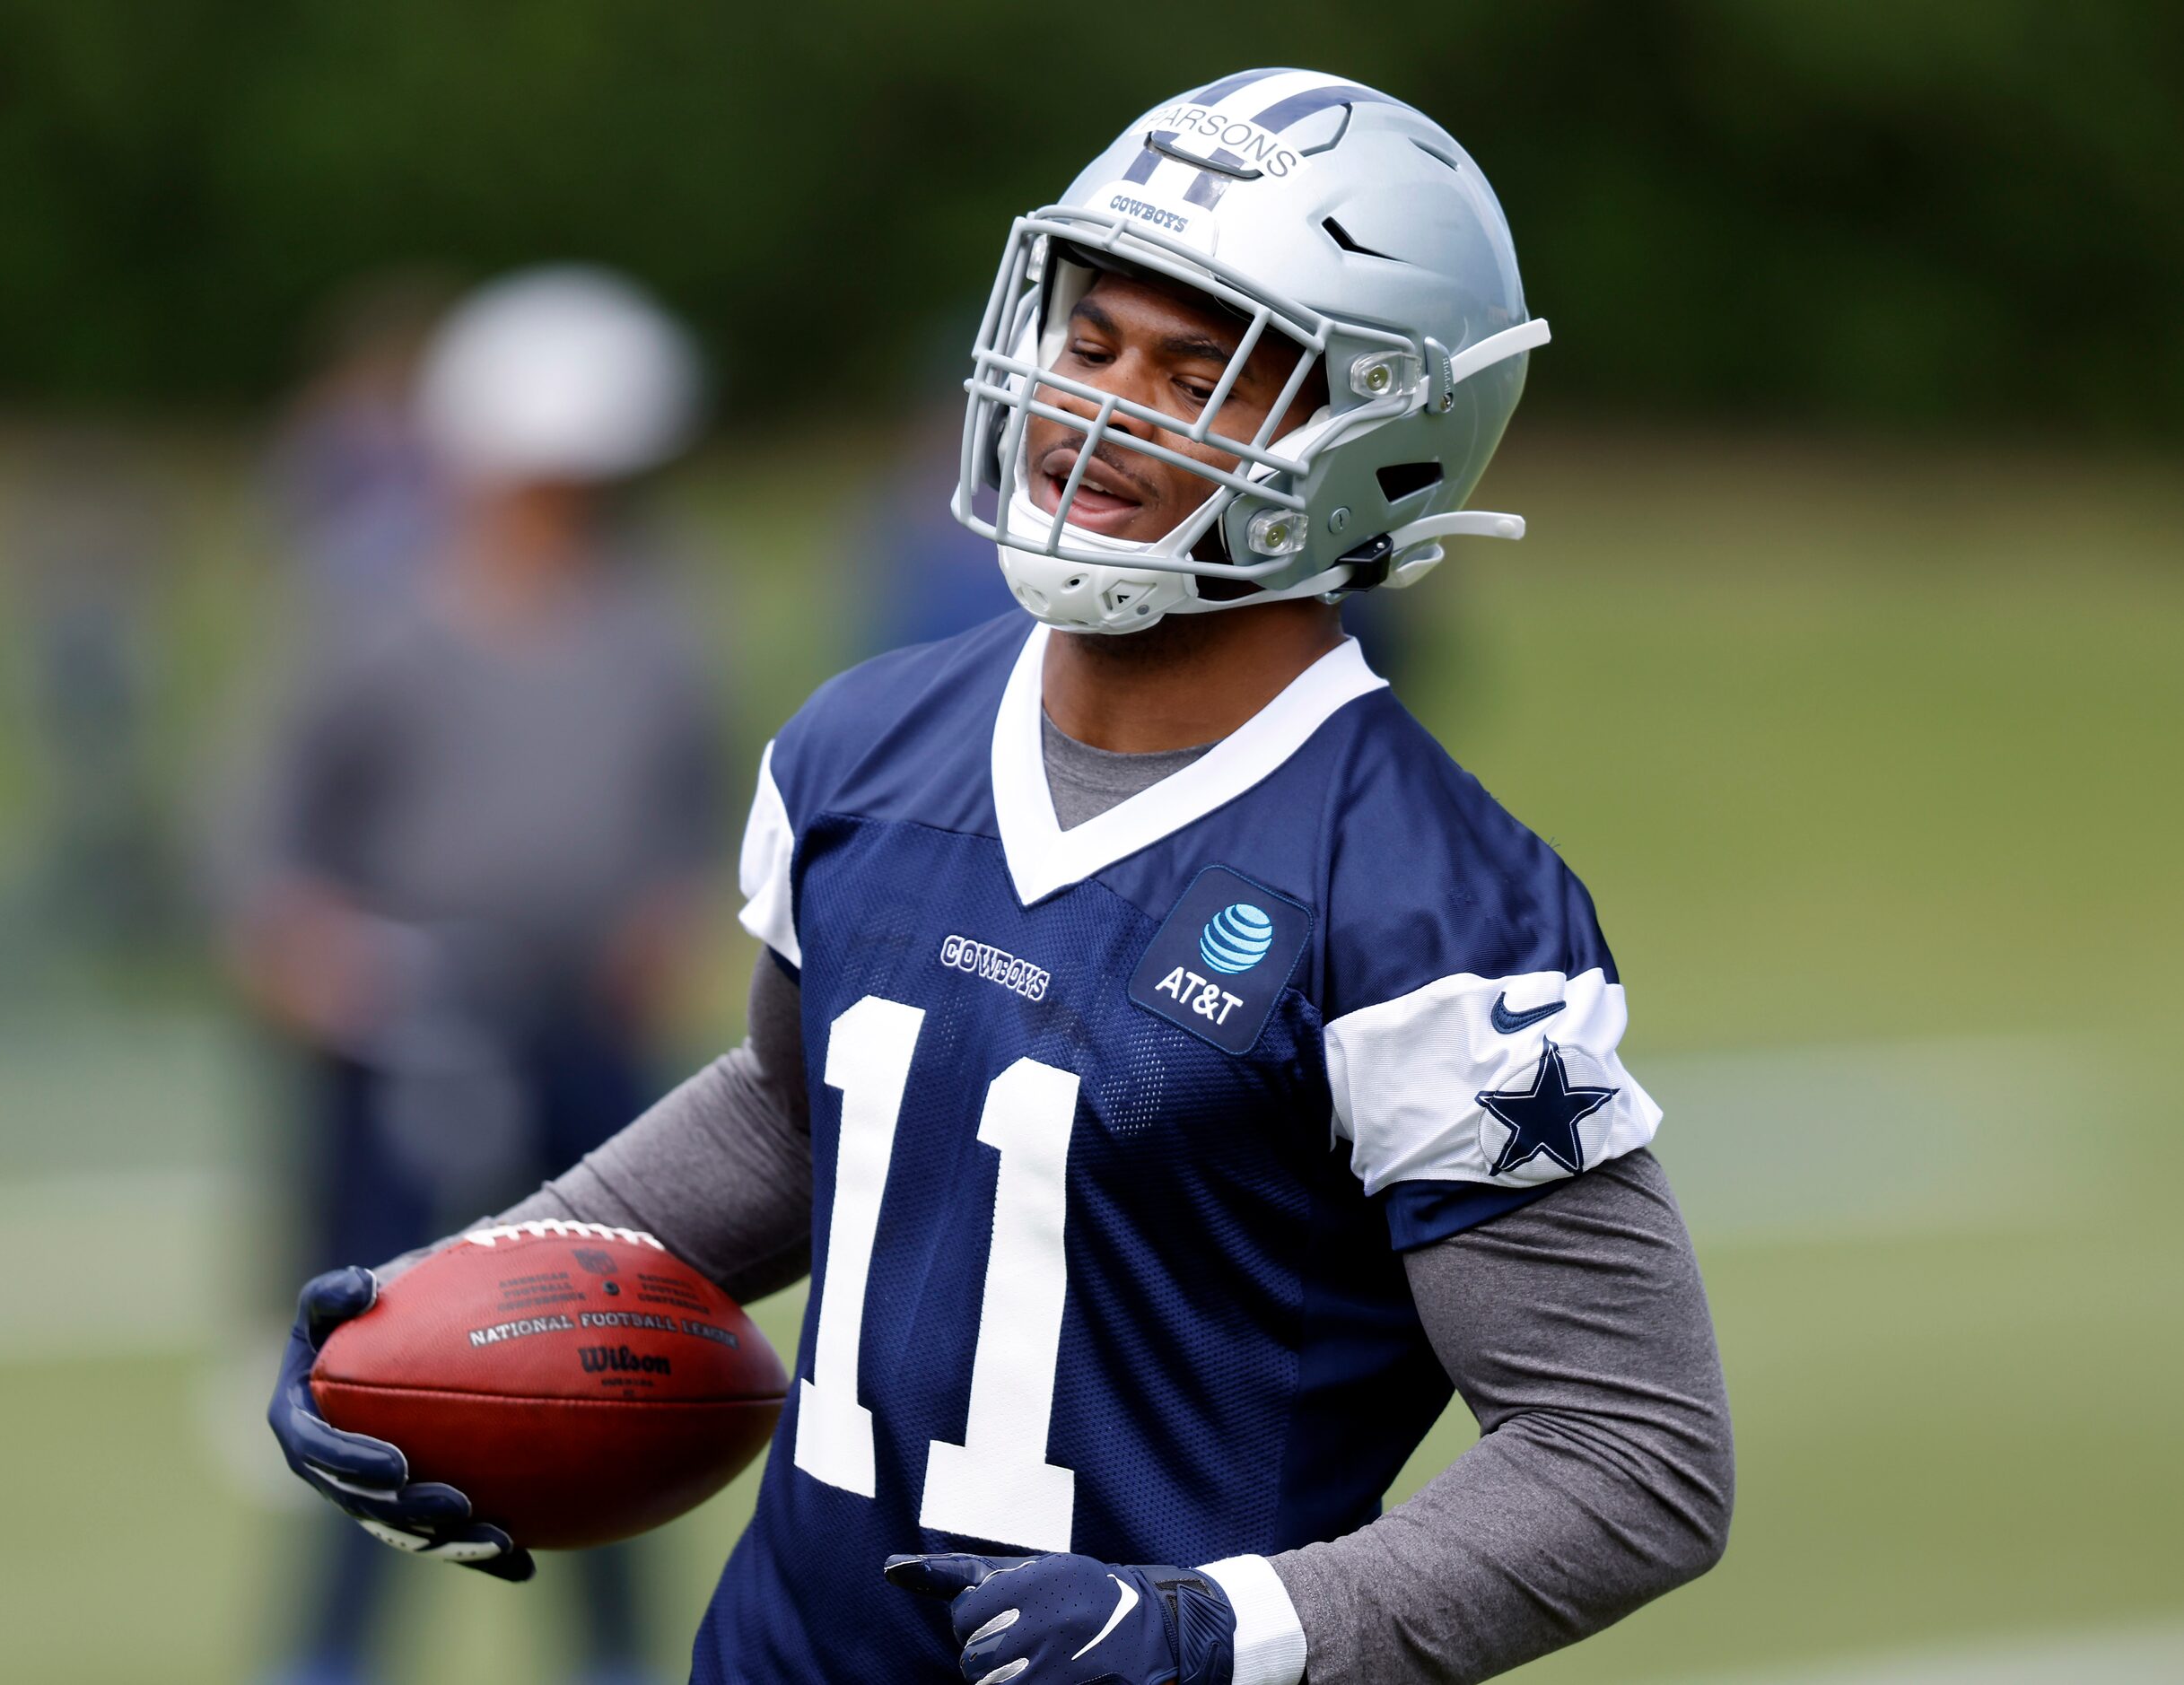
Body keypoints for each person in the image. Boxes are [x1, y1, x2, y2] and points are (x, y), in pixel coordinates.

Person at [269, 72, 1734, 1685]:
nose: (1099, 409)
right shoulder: (865, 743)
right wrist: (455, 1296)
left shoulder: (1429, 907)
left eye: (1202, 374)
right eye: (1090, 342)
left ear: (1376, 440)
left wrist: (1227, 1630)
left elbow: (1625, 1456)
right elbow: (792, 1108)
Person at [225, 267, 715, 1685]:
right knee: (369, 1384)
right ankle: (331, 1655)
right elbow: (263, 842)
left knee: (621, 1376)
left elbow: (687, 814)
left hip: (585, 1047)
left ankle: (617, 1659)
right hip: (406, 1041)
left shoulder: (652, 620)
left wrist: (664, 923)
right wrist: (317, 958)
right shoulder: (370, 618)